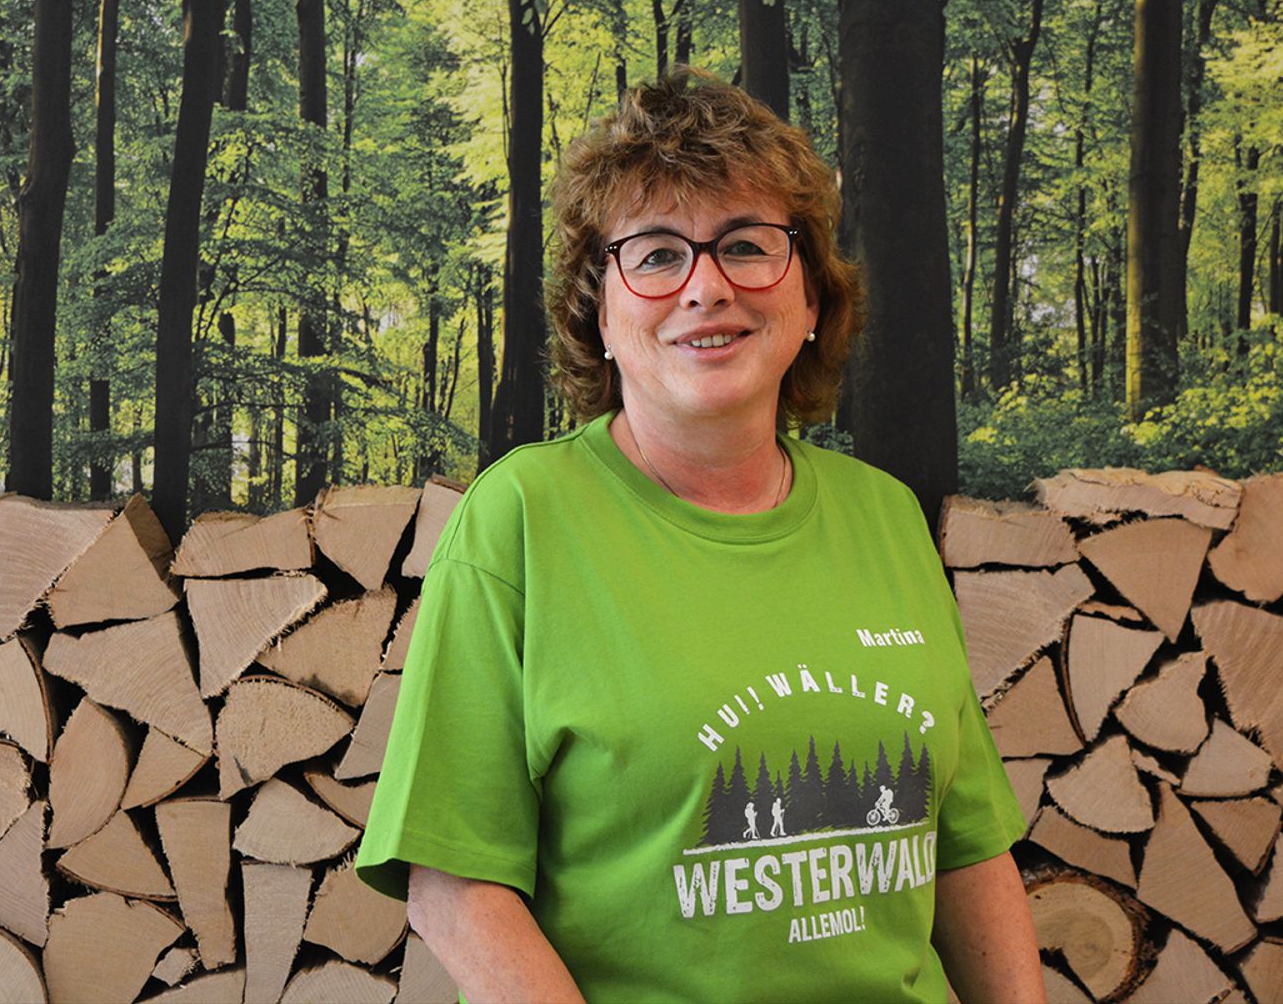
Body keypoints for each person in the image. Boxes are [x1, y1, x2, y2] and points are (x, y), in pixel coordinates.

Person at [355, 68, 1043, 1003]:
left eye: (748, 246)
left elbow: (966, 850)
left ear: (810, 300)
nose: (705, 287)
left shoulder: (883, 515)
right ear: (601, 310)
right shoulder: (521, 519)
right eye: (656, 254)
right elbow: (453, 883)